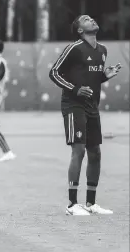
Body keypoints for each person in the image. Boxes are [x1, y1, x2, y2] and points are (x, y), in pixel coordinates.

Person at [49, 15, 122, 216]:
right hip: (73, 105)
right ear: (80, 30)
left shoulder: (102, 50)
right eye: (86, 19)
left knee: (95, 153)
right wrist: (75, 89)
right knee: (78, 150)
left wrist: (104, 76)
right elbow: (54, 73)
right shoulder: (74, 48)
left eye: (91, 18)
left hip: (92, 107)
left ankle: (91, 203)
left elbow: (92, 78)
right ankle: (72, 204)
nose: (91, 20)